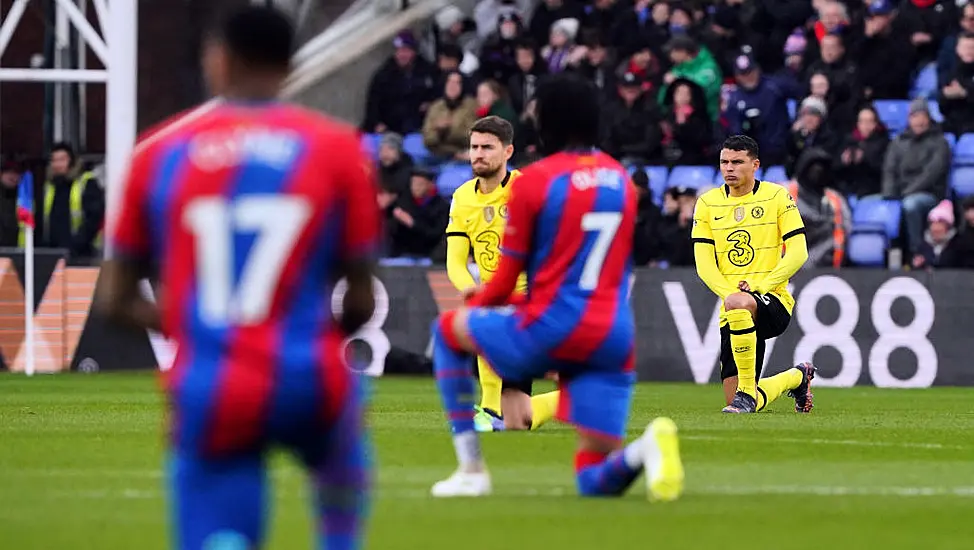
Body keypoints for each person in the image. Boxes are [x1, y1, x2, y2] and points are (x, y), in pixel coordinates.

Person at [97, 7, 377, 550]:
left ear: (219, 60)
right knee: (342, 451)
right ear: (291, 63)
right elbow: (361, 298)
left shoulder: (158, 154)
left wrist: (197, 329)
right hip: (307, 377)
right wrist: (316, 333)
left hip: (212, 385)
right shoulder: (338, 150)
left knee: (221, 527)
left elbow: (114, 300)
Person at [429, 73, 684, 500]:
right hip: (612, 333)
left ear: (548, 121)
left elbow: (507, 277)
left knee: (448, 333)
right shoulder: (619, 178)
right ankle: (646, 448)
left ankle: (471, 469)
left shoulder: (536, 181)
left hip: (551, 321)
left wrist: (478, 309)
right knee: (591, 478)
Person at [444, 115, 560, 432]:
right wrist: (471, 290)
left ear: (508, 152)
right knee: (515, 420)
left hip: (530, 299)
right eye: (474, 147)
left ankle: (568, 399)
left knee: (518, 419)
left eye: (487, 147)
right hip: (493, 297)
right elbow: (455, 260)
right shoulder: (463, 198)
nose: (478, 154)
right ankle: (490, 410)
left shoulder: (528, 189)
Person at [691, 135, 816, 414]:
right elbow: (704, 264)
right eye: (724, 162)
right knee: (734, 400)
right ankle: (797, 377)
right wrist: (732, 295)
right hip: (733, 308)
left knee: (742, 396)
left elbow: (798, 252)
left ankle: (746, 393)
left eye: (737, 162)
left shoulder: (777, 196)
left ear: (755, 164)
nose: (729, 168)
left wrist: (759, 287)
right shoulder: (708, 204)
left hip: (773, 300)